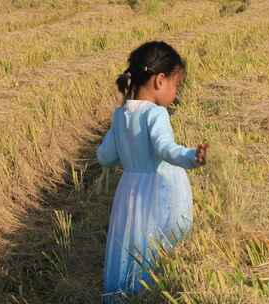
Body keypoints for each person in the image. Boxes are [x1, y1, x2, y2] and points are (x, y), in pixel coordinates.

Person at [97, 41, 209, 303]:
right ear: (160, 80)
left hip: (130, 195)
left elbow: (105, 157)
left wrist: (122, 145)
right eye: (176, 85)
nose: (176, 93)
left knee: (131, 249)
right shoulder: (156, 114)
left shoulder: (120, 115)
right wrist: (193, 156)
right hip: (158, 192)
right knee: (158, 250)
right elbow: (166, 149)